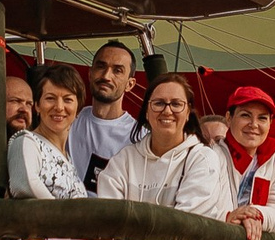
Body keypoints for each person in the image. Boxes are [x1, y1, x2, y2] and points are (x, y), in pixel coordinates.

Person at [92, 74, 232, 217]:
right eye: (159, 103)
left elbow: (186, 224)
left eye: (176, 104)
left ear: (188, 112)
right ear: (147, 111)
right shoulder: (123, 160)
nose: (167, 111)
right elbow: (109, 217)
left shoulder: (202, 159)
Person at [218, 86, 275, 240]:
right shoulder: (210, 156)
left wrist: (254, 215)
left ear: (270, 123)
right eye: (245, 115)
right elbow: (201, 209)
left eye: (262, 118)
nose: (254, 124)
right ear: (229, 118)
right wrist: (231, 216)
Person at [66, 40, 146, 186]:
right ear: (90, 74)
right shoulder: (68, 120)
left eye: (117, 70)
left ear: (130, 84)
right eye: (101, 66)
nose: (106, 76)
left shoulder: (140, 137)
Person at [8, 66, 91, 200]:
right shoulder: (27, 141)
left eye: (67, 99)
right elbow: (23, 185)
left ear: (78, 108)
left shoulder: (68, 158)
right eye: (50, 98)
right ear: (37, 106)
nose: (59, 107)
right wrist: (66, 218)